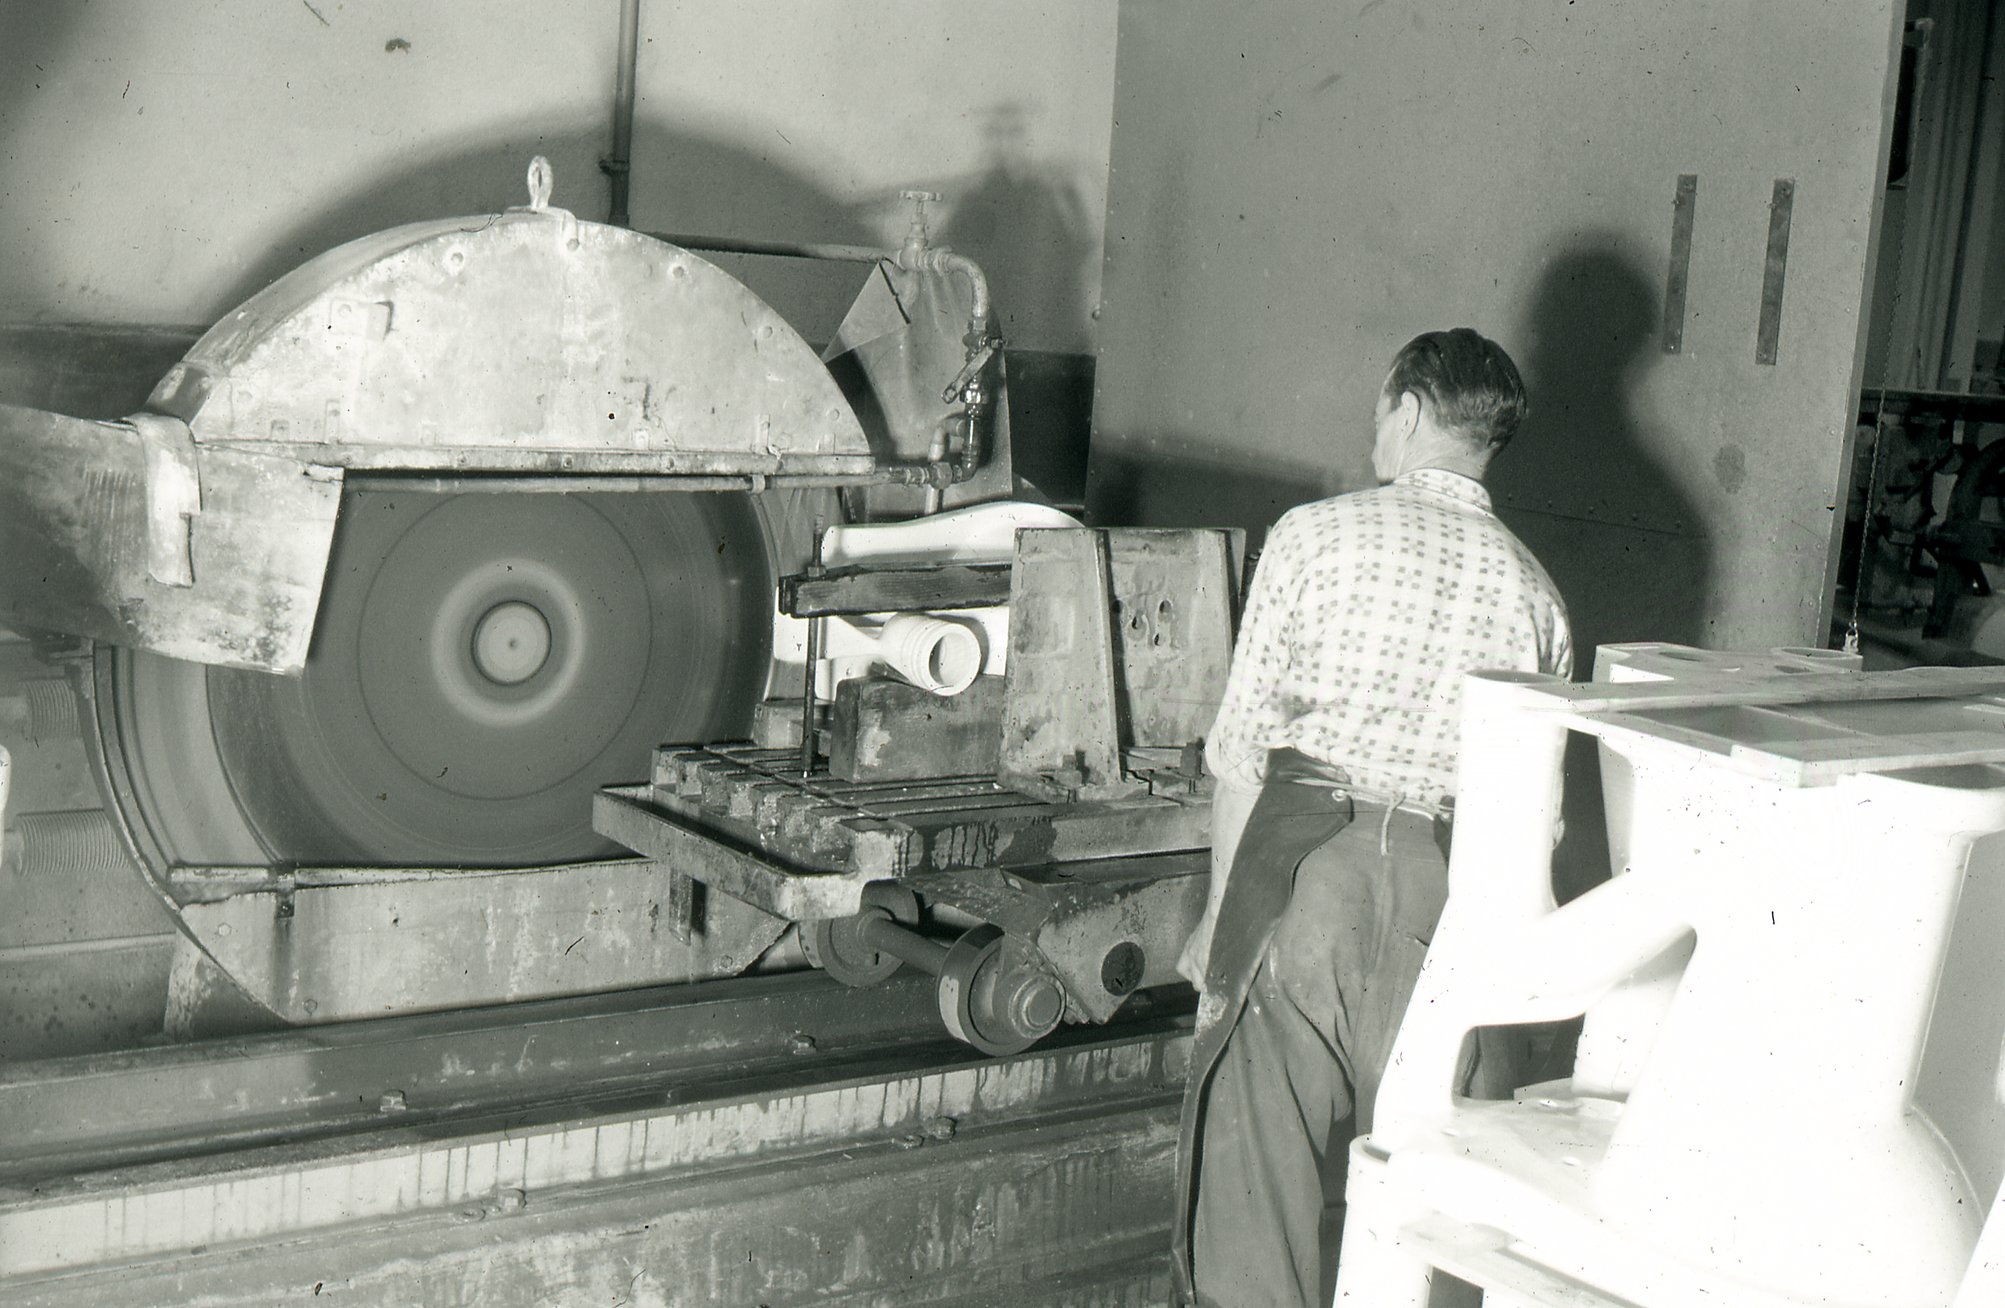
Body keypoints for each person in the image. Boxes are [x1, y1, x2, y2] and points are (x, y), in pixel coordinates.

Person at [1172, 328, 1572, 1308]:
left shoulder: (1315, 535)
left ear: (1405, 411)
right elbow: (1537, 821)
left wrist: (1221, 928)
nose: (1372, 440)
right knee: (1428, 1198)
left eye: (1377, 419)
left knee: (1254, 1180)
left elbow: (1240, 752)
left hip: (1306, 868)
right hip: (1449, 896)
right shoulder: (1536, 594)